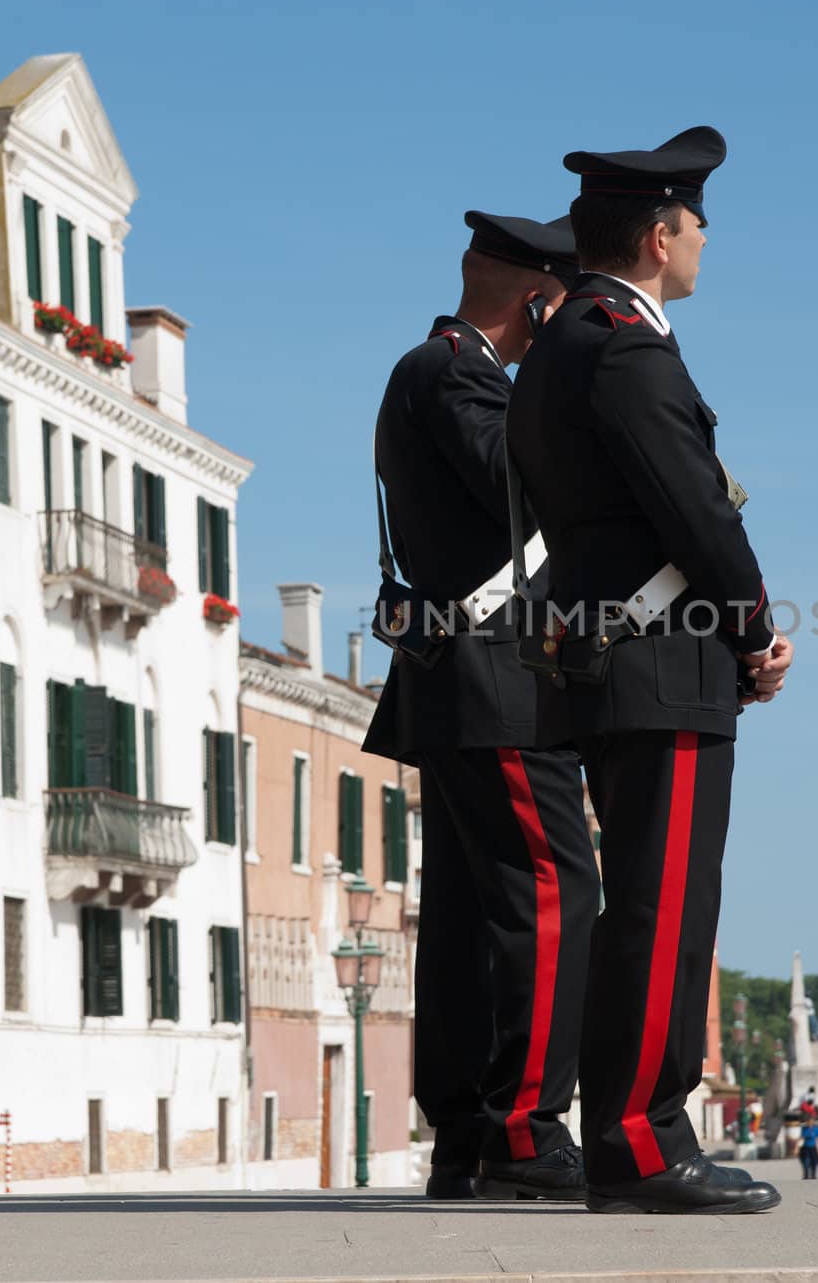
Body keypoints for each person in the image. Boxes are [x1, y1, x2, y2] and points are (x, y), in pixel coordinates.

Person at [506, 127, 790, 1216]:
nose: (707, 241)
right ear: (662, 232)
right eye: (700, 223)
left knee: (647, 902)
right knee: (662, 909)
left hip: (616, 654)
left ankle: (642, 1134)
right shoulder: (624, 344)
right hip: (660, 661)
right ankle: (637, 1140)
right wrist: (754, 631)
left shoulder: (565, 339)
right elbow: (697, 513)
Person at [364, 212, 598, 1202]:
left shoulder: (447, 370)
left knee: (468, 915)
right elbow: (519, 486)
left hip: (472, 677)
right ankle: (522, 1132)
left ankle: (468, 1132)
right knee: (553, 891)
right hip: (493, 679)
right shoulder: (454, 371)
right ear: (538, 300)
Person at [798, 1115, 818, 1180]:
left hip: (813, 1148)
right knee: (805, 1162)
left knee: (814, 1162)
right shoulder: (804, 1129)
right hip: (806, 1148)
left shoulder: (816, 1129)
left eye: (811, 1121)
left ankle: (813, 1175)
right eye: (808, 1122)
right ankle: (806, 1175)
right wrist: (797, 1148)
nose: (809, 1123)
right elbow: (801, 1138)